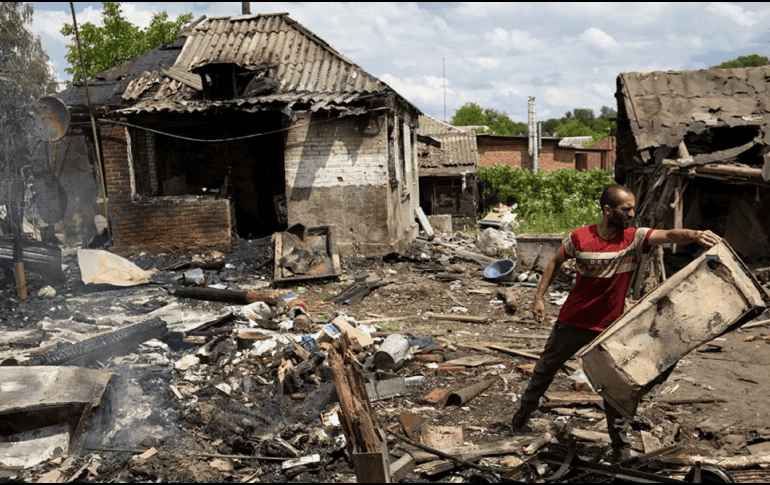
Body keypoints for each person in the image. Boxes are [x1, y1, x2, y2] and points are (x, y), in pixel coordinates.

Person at [510, 184, 720, 461]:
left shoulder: (634, 238)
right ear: (607, 210)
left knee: (614, 387)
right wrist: (538, 298)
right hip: (573, 322)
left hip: (610, 329)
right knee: (544, 371)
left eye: (633, 207)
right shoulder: (580, 238)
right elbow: (555, 262)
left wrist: (695, 235)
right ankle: (522, 414)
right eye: (626, 209)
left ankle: (620, 448)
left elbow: (669, 234)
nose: (632, 213)